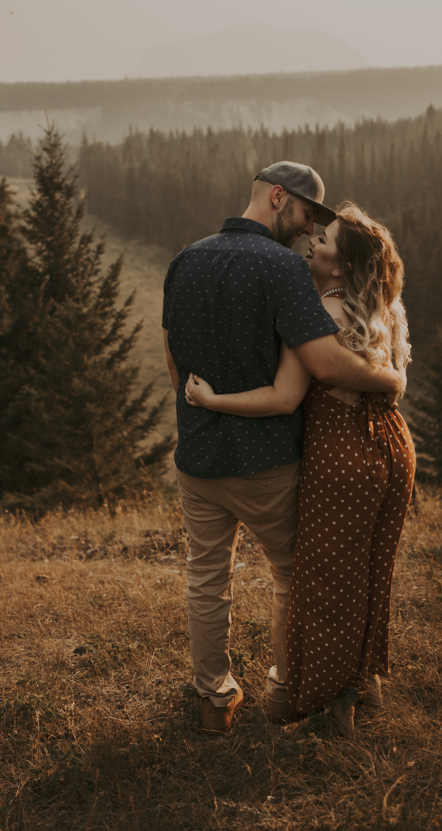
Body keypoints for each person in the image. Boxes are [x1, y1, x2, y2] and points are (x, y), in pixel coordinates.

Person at [162, 162, 406, 736]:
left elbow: (173, 358)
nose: (306, 232)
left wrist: (200, 409)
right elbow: (321, 363)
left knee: (205, 576)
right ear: (279, 197)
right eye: (305, 217)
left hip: (198, 461)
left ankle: (213, 698)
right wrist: (390, 378)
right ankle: (285, 688)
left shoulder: (185, 260)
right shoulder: (284, 271)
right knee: (294, 575)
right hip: (268, 462)